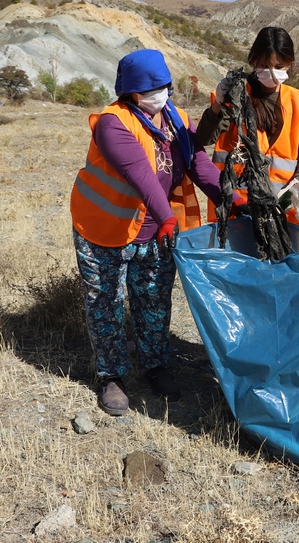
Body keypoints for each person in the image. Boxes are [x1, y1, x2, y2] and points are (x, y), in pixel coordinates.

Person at [70, 49, 223, 416]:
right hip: (104, 228)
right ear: (131, 93)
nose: (160, 95)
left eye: (164, 86)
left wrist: (233, 199)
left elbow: (199, 166)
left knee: (154, 301)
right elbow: (139, 172)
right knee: (106, 303)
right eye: (150, 89)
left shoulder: (176, 118)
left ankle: (155, 365)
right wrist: (168, 217)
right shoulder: (113, 122)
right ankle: (111, 376)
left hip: (155, 230)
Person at [195, 26, 299, 221]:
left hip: (282, 210)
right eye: (265, 66)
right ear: (253, 61)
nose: (272, 72)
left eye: (278, 66)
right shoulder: (235, 94)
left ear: (289, 63)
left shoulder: (298, 102)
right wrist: (218, 103)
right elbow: (203, 138)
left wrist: (296, 185)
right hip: (237, 207)